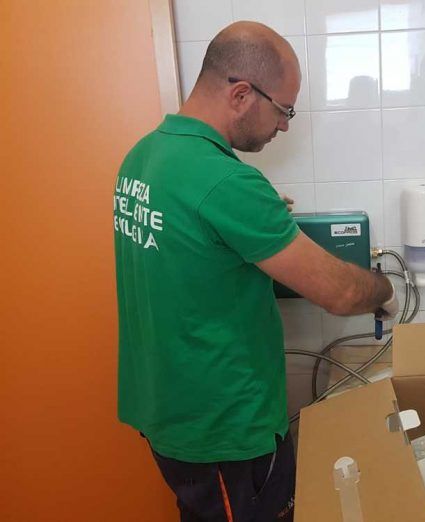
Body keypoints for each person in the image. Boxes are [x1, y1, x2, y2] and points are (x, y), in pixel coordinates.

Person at [113, 21, 398, 522]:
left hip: (165, 412)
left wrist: (252, 221)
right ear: (242, 94)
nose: (284, 126)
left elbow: (188, 242)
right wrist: (384, 290)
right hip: (223, 433)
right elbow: (338, 292)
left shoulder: (143, 156)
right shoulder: (227, 183)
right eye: (284, 110)